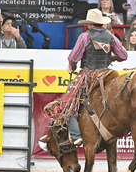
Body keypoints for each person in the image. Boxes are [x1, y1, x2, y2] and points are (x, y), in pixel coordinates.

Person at [45, 8, 127, 143]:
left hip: (89, 75)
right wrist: (111, 58)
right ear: (101, 23)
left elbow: (73, 57)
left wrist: (72, 68)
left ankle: (77, 135)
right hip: (107, 73)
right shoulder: (111, 37)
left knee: (69, 101)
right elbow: (123, 56)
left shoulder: (85, 36)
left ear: (89, 24)